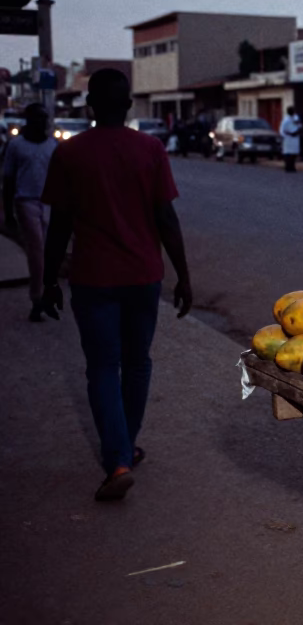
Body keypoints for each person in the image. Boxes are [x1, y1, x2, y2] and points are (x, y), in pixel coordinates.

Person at [40, 68, 192, 501]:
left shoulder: (71, 154)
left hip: (93, 280)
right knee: (137, 362)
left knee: (103, 367)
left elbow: (58, 227)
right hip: (144, 277)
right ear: (128, 105)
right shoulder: (149, 149)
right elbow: (166, 218)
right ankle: (125, 446)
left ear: (89, 104)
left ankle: (119, 457)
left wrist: (48, 281)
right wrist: (184, 275)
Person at [2, 103, 57, 321]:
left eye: (44, 118)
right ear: (29, 120)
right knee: (36, 252)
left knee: (49, 252)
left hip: (50, 203)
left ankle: (47, 293)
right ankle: (37, 298)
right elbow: (8, 179)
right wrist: (8, 213)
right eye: (38, 118)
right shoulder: (16, 146)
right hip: (26, 202)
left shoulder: (52, 145)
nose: (42, 122)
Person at [280, 106, 300, 173]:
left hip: (295, 138)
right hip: (288, 138)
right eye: (292, 111)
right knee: (288, 153)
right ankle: (288, 167)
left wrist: (298, 125)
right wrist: (287, 135)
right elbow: (282, 130)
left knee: (294, 153)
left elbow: (299, 125)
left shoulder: (295, 118)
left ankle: (293, 166)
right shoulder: (286, 120)